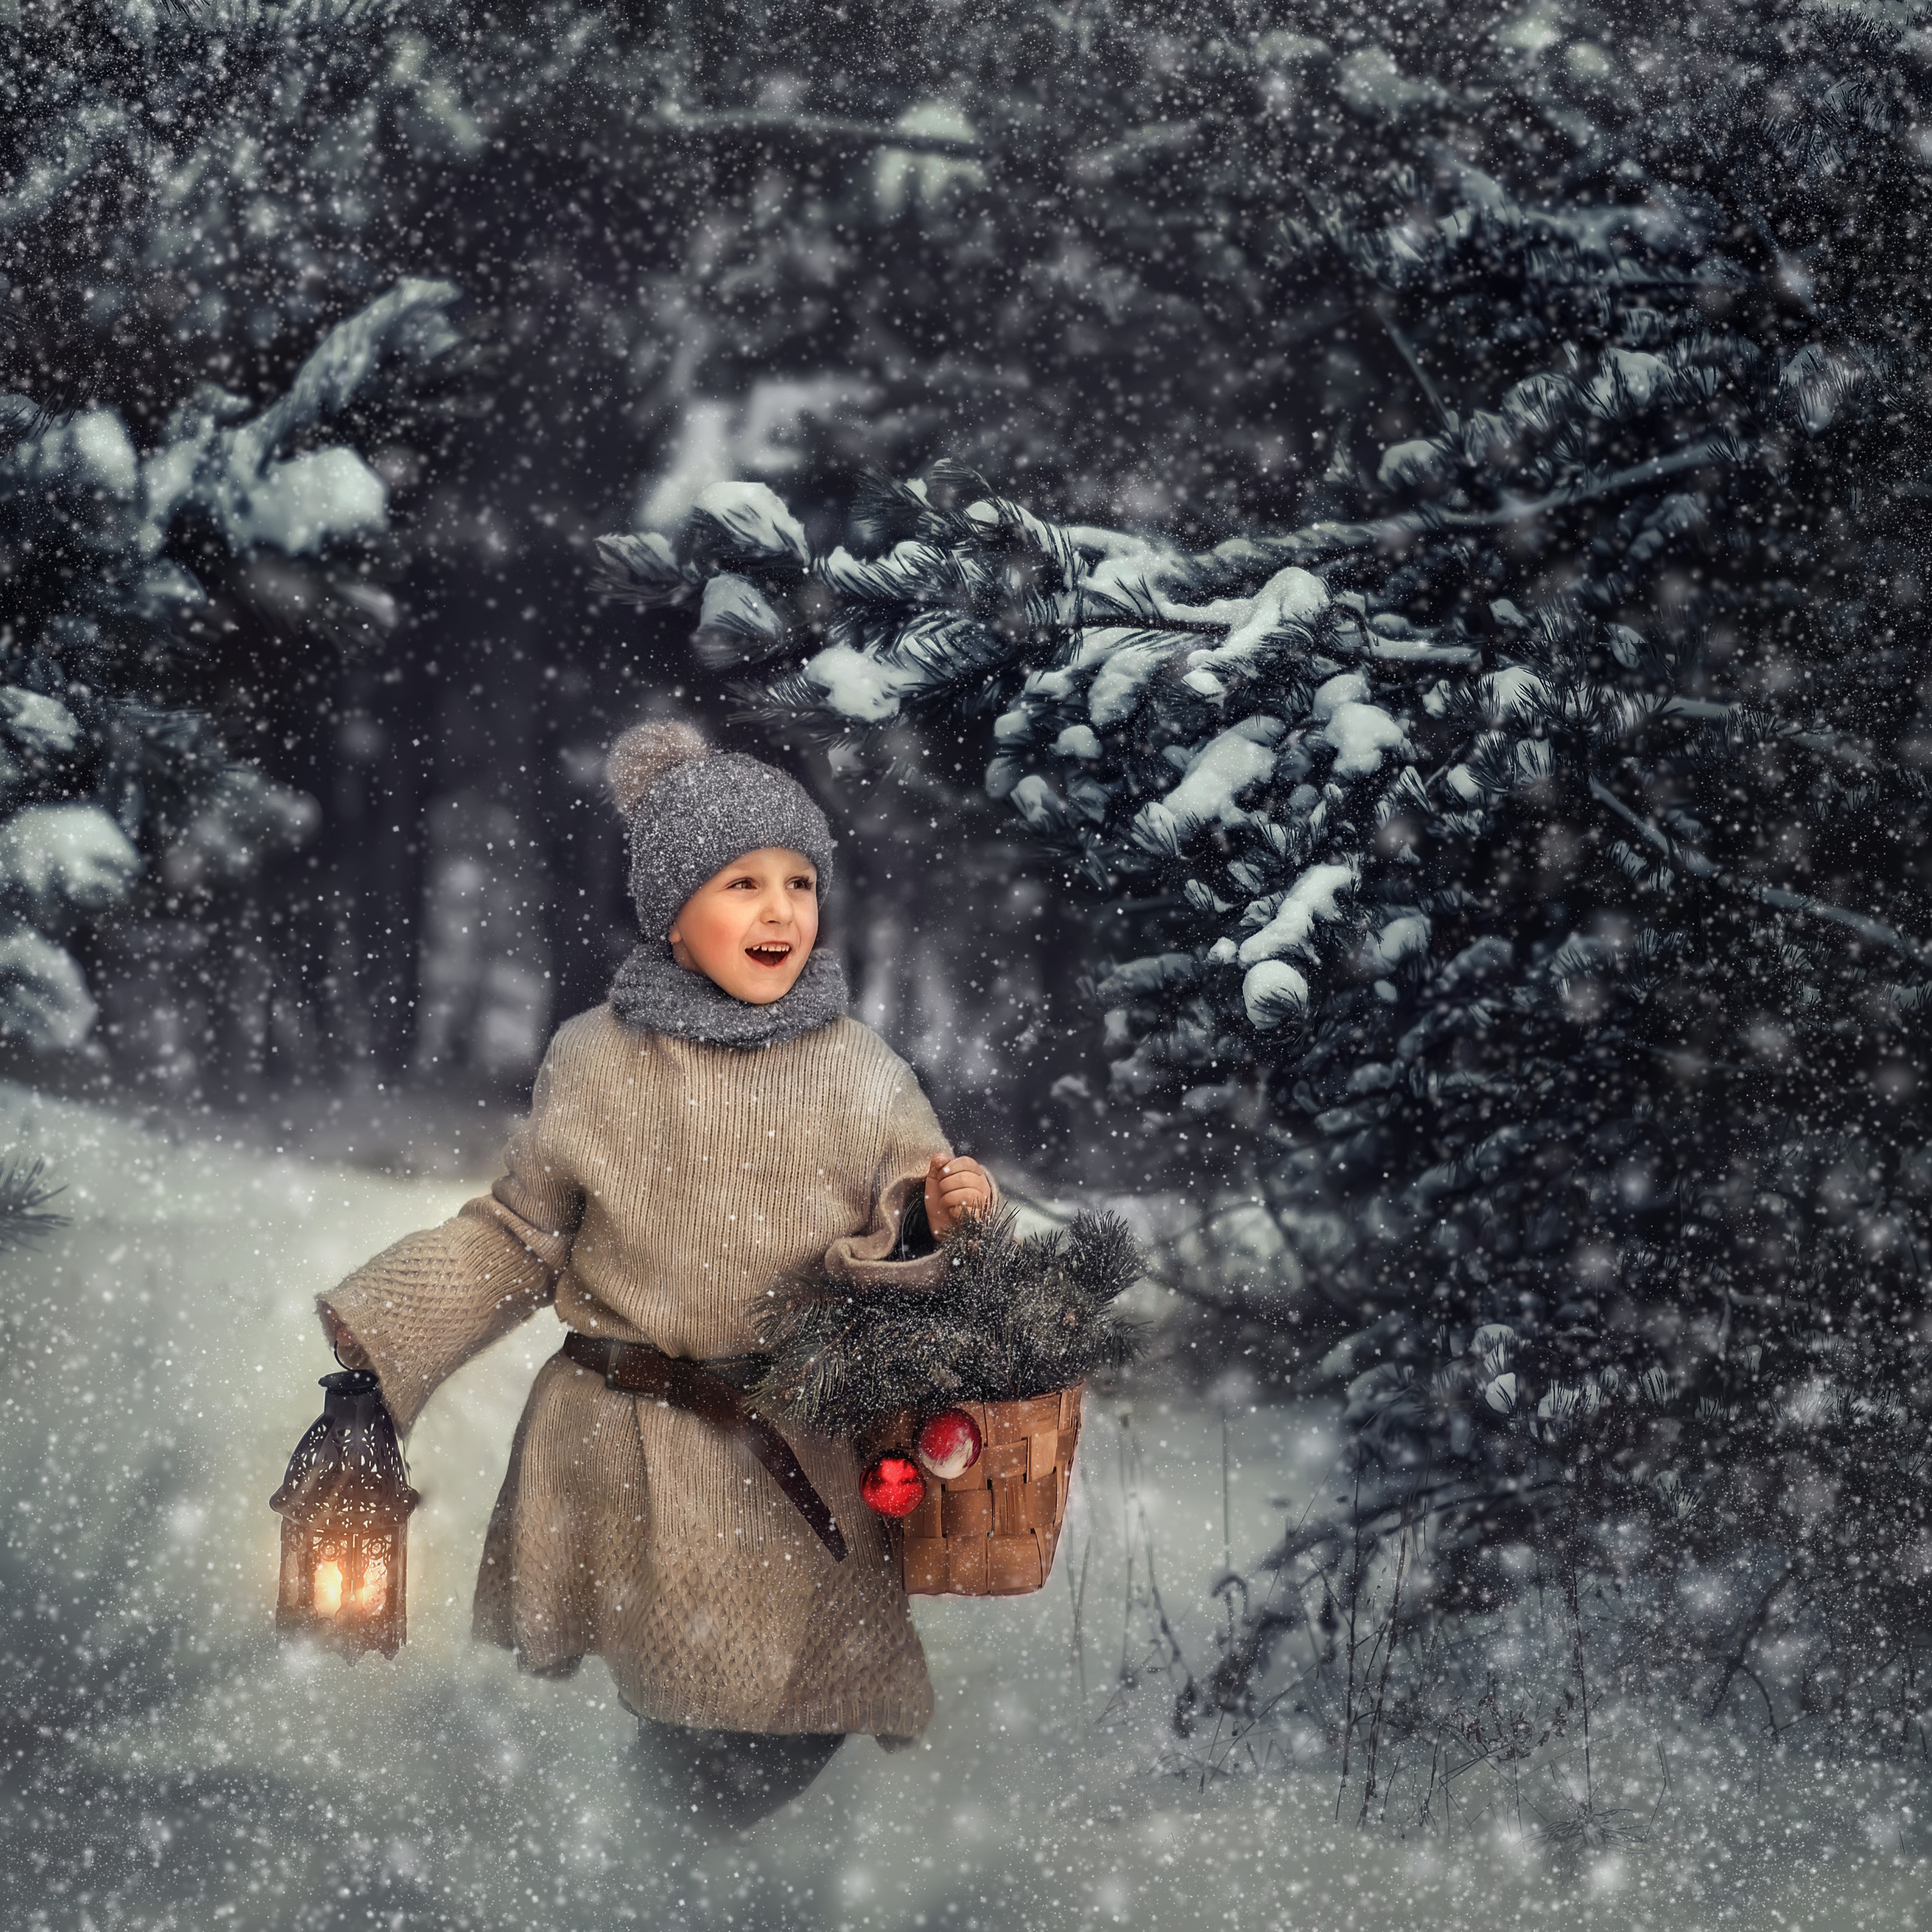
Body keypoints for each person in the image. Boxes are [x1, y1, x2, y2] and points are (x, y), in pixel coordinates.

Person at [318, 720, 992, 1827]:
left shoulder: (860, 1067)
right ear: (675, 919)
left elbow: (913, 1215)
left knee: (807, 1703)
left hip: (803, 1445)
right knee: (689, 1697)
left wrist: (948, 1210)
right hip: (634, 1441)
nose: (780, 910)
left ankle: (680, 1855)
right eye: (742, 884)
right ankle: (660, 1867)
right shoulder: (595, 1059)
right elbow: (521, 1232)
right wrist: (390, 1322)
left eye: (799, 882)